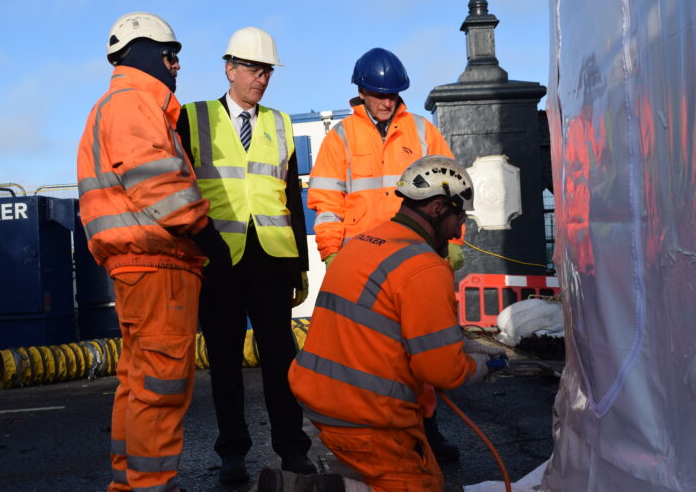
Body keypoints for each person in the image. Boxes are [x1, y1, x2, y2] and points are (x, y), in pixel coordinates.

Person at [258, 156, 505, 492]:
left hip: (323, 398)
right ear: (437, 208)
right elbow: (442, 372)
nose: (459, 229)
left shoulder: (363, 244)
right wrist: (482, 365)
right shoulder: (425, 267)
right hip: (367, 416)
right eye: (458, 216)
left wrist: (458, 343)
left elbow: (387, 324)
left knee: (431, 477)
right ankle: (303, 489)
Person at [77, 12, 232, 492]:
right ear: (144, 54)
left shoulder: (116, 104)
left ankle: (131, 483)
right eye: (170, 56)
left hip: (135, 265)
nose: (176, 66)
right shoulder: (135, 103)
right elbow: (156, 180)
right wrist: (205, 233)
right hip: (158, 262)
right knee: (161, 385)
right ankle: (152, 484)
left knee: (138, 383)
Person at [307, 47, 464, 461]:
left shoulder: (422, 131)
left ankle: (424, 430)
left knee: (420, 346)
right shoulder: (342, 136)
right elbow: (327, 203)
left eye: (393, 94)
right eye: (379, 94)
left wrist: (454, 243)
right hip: (364, 265)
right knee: (374, 353)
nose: (386, 102)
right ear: (361, 91)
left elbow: (451, 191)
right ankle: (377, 431)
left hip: (413, 259)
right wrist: (331, 253)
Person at [176, 27, 315, 488]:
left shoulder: (280, 123)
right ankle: (232, 452)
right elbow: (179, 188)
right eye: (254, 69)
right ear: (229, 69)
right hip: (217, 256)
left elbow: (291, 197)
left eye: (267, 70)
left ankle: (293, 449)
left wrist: (300, 264)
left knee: (280, 357)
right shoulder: (193, 117)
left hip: (272, 256)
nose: (262, 78)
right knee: (224, 359)